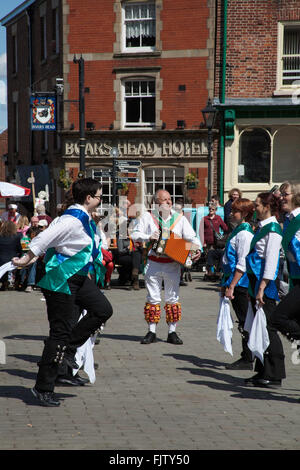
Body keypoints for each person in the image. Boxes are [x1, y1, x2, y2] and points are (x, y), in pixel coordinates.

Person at [12, 177, 113, 407]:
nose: (101, 200)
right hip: (61, 278)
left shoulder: (83, 217)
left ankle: (68, 347)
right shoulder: (71, 219)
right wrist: (27, 258)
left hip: (77, 276)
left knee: (102, 310)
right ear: (88, 199)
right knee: (59, 332)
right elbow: (45, 238)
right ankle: (42, 388)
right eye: (99, 196)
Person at [131, 189, 201, 345]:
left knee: (172, 298)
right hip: (153, 263)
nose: (169, 202)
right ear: (156, 203)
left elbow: (192, 237)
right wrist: (148, 237)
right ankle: (152, 332)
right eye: (165, 200)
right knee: (153, 298)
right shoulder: (148, 217)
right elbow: (135, 234)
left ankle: (172, 332)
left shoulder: (179, 219)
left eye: (170, 199)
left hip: (173, 265)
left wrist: (197, 249)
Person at [244, 192, 285, 389]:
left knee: (268, 328)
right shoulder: (263, 227)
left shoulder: (274, 230)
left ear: (267, 207)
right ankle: (262, 371)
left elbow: (271, 262)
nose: (255, 208)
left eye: (258, 204)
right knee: (258, 327)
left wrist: (262, 287)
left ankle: (275, 374)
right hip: (256, 282)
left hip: (265, 284)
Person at [220, 198, 255, 370]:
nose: (231, 213)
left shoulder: (245, 234)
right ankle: (247, 355)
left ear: (245, 214)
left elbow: (242, 263)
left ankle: (248, 358)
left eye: (235, 211)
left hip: (241, 284)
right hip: (234, 281)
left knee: (244, 320)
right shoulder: (238, 231)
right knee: (242, 319)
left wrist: (232, 285)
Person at [270, 185, 300, 360]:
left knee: (278, 318)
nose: (281, 197)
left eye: (285, 194)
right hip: (294, 278)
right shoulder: (288, 220)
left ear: (296, 197)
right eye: (280, 194)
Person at [203, 203, 228, 280]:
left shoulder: (218, 218)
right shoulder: (205, 219)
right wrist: (203, 242)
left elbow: (225, 229)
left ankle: (217, 273)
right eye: (210, 209)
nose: (211, 210)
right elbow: (201, 231)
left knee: (218, 257)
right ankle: (209, 273)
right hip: (208, 241)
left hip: (217, 242)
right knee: (208, 258)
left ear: (216, 210)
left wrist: (222, 237)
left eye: (213, 209)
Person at [0, 221, 22, 290]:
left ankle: (4, 282)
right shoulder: (18, 235)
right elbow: (20, 248)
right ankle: (18, 282)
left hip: (1, 259)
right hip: (13, 258)